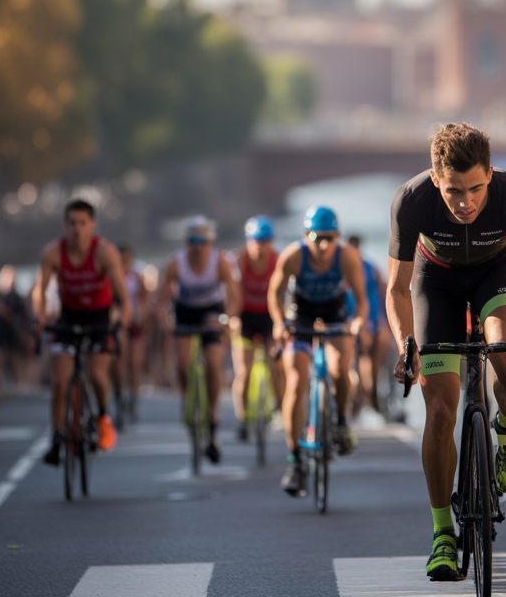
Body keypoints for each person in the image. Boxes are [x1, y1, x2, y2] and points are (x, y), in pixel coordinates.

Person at [386, 122, 506, 582]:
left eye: (477, 188)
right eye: (454, 190)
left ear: (491, 174)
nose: (466, 202)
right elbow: (397, 289)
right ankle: (442, 534)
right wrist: (406, 344)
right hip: (435, 283)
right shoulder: (411, 200)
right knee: (439, 410)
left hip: (496, 274)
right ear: (436, 178)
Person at [269, 206, 367, 495]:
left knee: (339, 368)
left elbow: (361, 299)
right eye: (316, 237)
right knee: (296, 381)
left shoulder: (347, 255)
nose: (323, 244)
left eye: (330, 237)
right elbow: (275, 293)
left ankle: (339, 423)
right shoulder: (293, 255)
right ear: (305, 235)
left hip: (335, 314)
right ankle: (295, 460)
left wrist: (359, 320)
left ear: (337, 236)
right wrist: (278, 323)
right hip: (300, 314)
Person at [33, 199, 131, 465]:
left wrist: (121, 322)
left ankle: (101, 415)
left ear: (92, 225)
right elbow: (40, 291)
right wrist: (40, 318)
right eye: (72, 223)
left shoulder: (105, 253)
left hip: (100, 317)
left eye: (83, 223)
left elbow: (122, 298)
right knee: (60, 380)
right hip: (69, 317)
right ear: (65, 225)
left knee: (97, 373)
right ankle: (56, 438)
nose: (77, 229)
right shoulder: (52, 253)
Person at [157, 216, 241, 465]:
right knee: (183, 364)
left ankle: (212, 414)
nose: (198, 247)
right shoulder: (175, 263)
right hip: (185, 312)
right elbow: (161, 301)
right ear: (186, 242)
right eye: (193, 241)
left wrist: (226, 319)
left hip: (212, 313)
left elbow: (235, 299)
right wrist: (166, 322)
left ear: (211, 242)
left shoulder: (221, 262)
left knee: (213, 365)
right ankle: (186, 399)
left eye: (203, 241)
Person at [230, 215, 285, 440]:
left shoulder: (279, 259)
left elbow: (284, 294)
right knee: (243, 371)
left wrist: (283, 323)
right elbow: (231, 294)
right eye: (256, 240)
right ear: (248, 240)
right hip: (245, 316)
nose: (261, 246)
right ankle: (243, 419)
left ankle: (281, 410)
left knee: (277, 367)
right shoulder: (237, 260)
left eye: (266, 240)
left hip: (269, 316)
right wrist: (232, 319)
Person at [346, 235, 390, 416]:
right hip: (351, 320)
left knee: (376, 353)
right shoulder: (344, 269)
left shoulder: (371, 268)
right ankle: (361, 397)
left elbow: (383, 291)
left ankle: (370, 396)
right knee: (359, 358)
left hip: (372, 319)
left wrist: (384, 320)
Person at [116, 245, 150, 420]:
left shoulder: (137, 277)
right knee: (120, 363)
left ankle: (133, 400)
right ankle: (120, 398)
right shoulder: (112, 276)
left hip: (135, 324)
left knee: (134, 364)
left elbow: (144, 300)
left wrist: (141, 315)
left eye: (126, 259)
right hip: (120, 324)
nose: (124, 263)